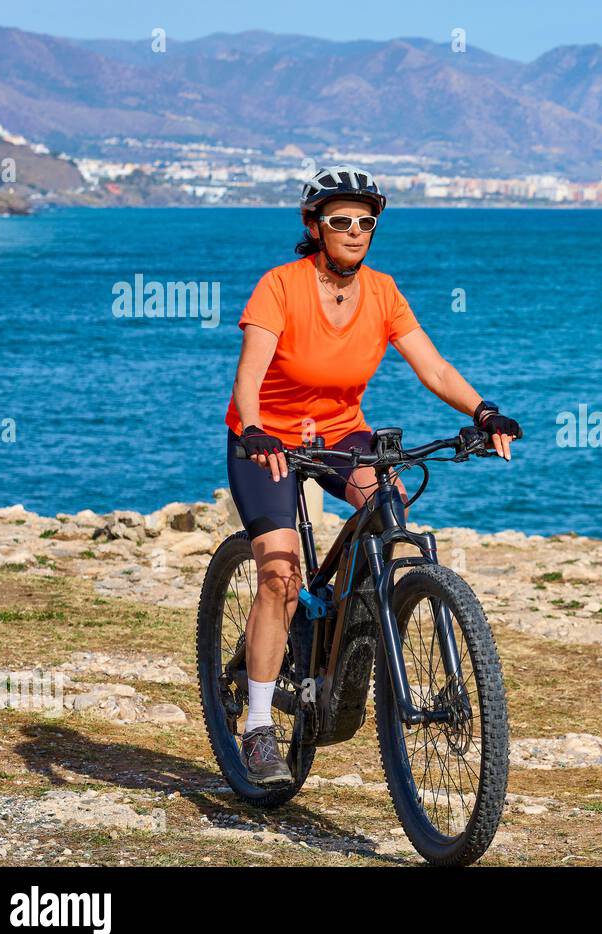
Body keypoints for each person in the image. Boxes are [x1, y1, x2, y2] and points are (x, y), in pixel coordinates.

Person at [224, 164, 522, 785]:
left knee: (387, 514)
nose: (355, 231)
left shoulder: (383, 292)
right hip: (269, 442)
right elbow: (248, 374)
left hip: (340, 435)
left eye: (366, 221)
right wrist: (253, 430)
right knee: (279, 574)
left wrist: (483, 411)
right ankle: (257, 726)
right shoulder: (280, 286)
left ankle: (343, 639)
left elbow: (434, 368)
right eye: (341, 221)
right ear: (314, 225)